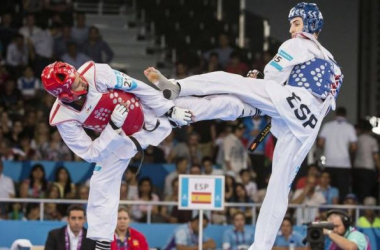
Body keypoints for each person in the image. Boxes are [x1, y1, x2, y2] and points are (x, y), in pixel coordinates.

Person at [145, 2, 343, 249]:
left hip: (287, 100)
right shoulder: (333, 64)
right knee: (278, 187)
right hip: (306, 124)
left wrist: (260, 84)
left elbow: (273, 72)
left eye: (296, 23)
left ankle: (177, 90)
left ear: (310, 24)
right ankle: (261, 246)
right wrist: (266, 95)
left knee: (230, 83)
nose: (292, 29)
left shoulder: (299, 43)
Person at [41, 60, 249, 248]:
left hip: (146, 111)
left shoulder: (95, 73)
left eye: (78, 76)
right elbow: (90, 153)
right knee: (101, 180)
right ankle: (103, 241)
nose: (82, 82)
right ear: (65, 95)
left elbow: (137, 86)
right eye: (76, 84)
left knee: (196, 109)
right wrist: (112, 127)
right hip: (117, 139)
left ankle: (248, 104)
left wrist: (167, 109)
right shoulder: (63, 118)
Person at [317, 107, 357, 202]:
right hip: (344, 164)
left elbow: (320, 142)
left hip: (329, 162)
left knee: (329, 188)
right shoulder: (349, 127)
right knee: (343, 191)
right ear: (345, 115)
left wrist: (327, 149)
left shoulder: (327, 126)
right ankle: (341, 212)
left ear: (335, 115)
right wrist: (348, 151)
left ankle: (328, 210)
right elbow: (354, 146)